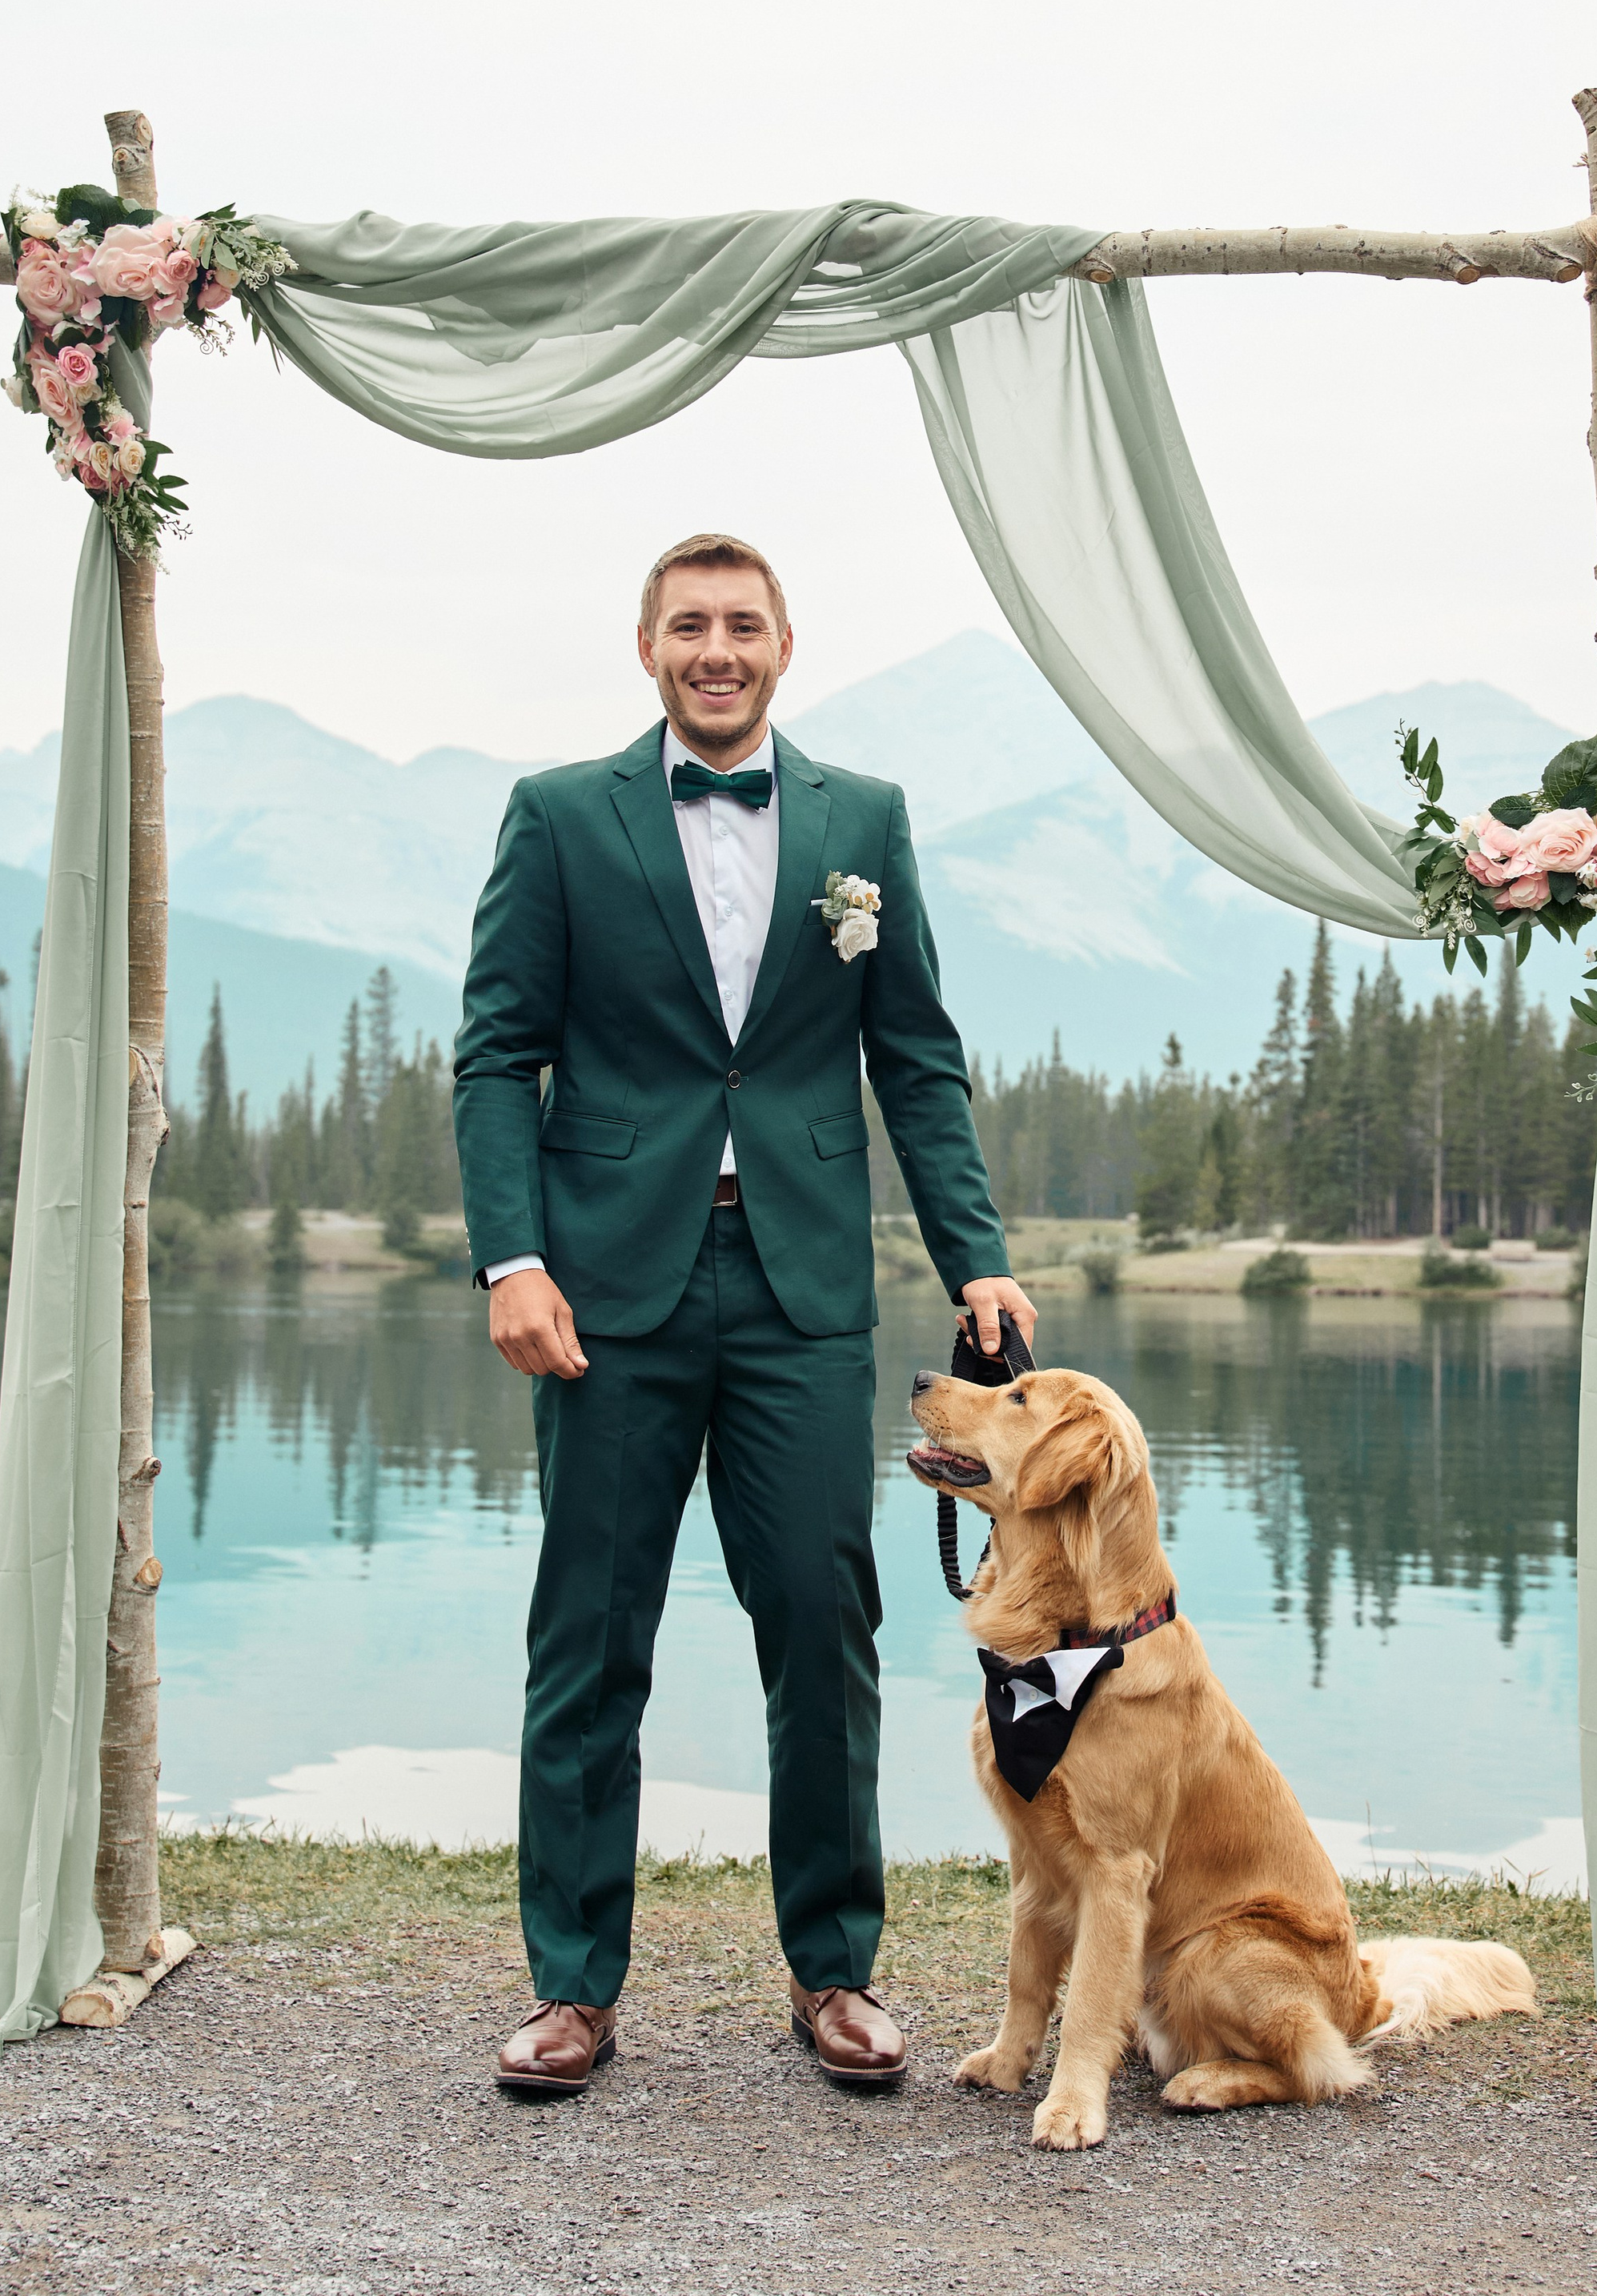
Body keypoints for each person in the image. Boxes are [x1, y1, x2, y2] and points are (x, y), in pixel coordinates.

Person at [454, 532, 1033, 2097]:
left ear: (785, 644)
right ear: (647, 645)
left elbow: (915, 1054)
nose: (717, 649)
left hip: (802, 1289)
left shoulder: (865, 820)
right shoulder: (559, 814)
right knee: (590, 1635)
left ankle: (833, 1970)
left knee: (824, 1628)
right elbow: (497, 1051)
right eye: (690, 625)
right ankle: (572, 1988)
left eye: (742, 625)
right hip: (604, 1289)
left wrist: (974, 1253)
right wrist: (511, 1258)